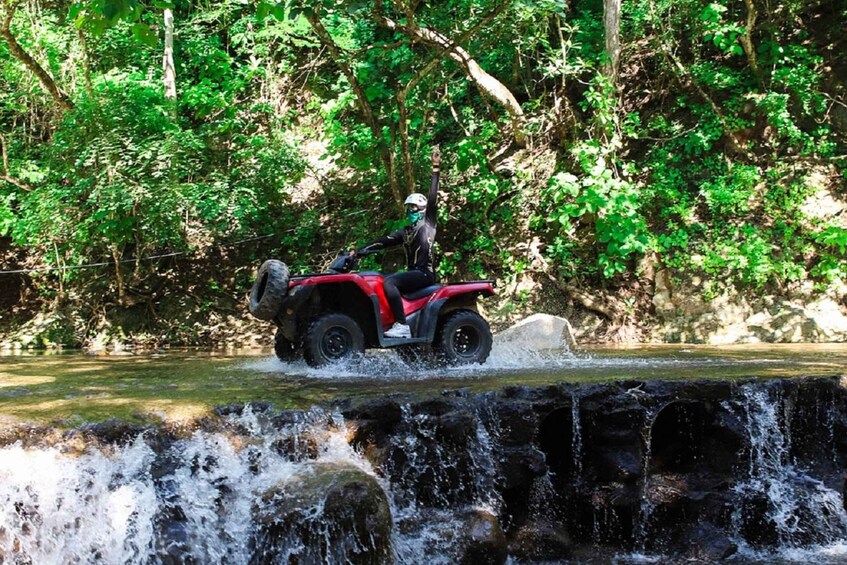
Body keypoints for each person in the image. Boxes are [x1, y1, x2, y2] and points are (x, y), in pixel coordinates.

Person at [352, 147, 441, 338]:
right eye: (408, 208)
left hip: (424, 273)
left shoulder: (428, 225)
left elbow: (433, 198)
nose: (410, 212)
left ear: (423, 210)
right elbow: (384, 241)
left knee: (390, 282)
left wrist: (435, 168)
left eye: (414, 208)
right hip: (413, 273)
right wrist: (359, 251)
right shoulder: (405, 232)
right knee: (381, 280)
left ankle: (402, 325)